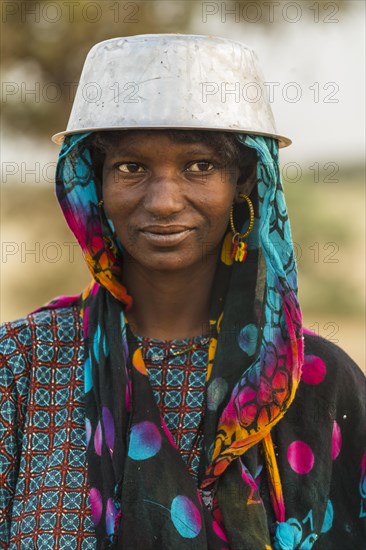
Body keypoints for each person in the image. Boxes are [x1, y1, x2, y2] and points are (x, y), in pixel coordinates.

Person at [0, 34, 364, 550]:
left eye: (199, 165)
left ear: (244, 182)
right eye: (131, 167)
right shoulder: (20, 366)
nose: (165, 200)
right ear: (95, 184)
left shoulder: (316, 384)